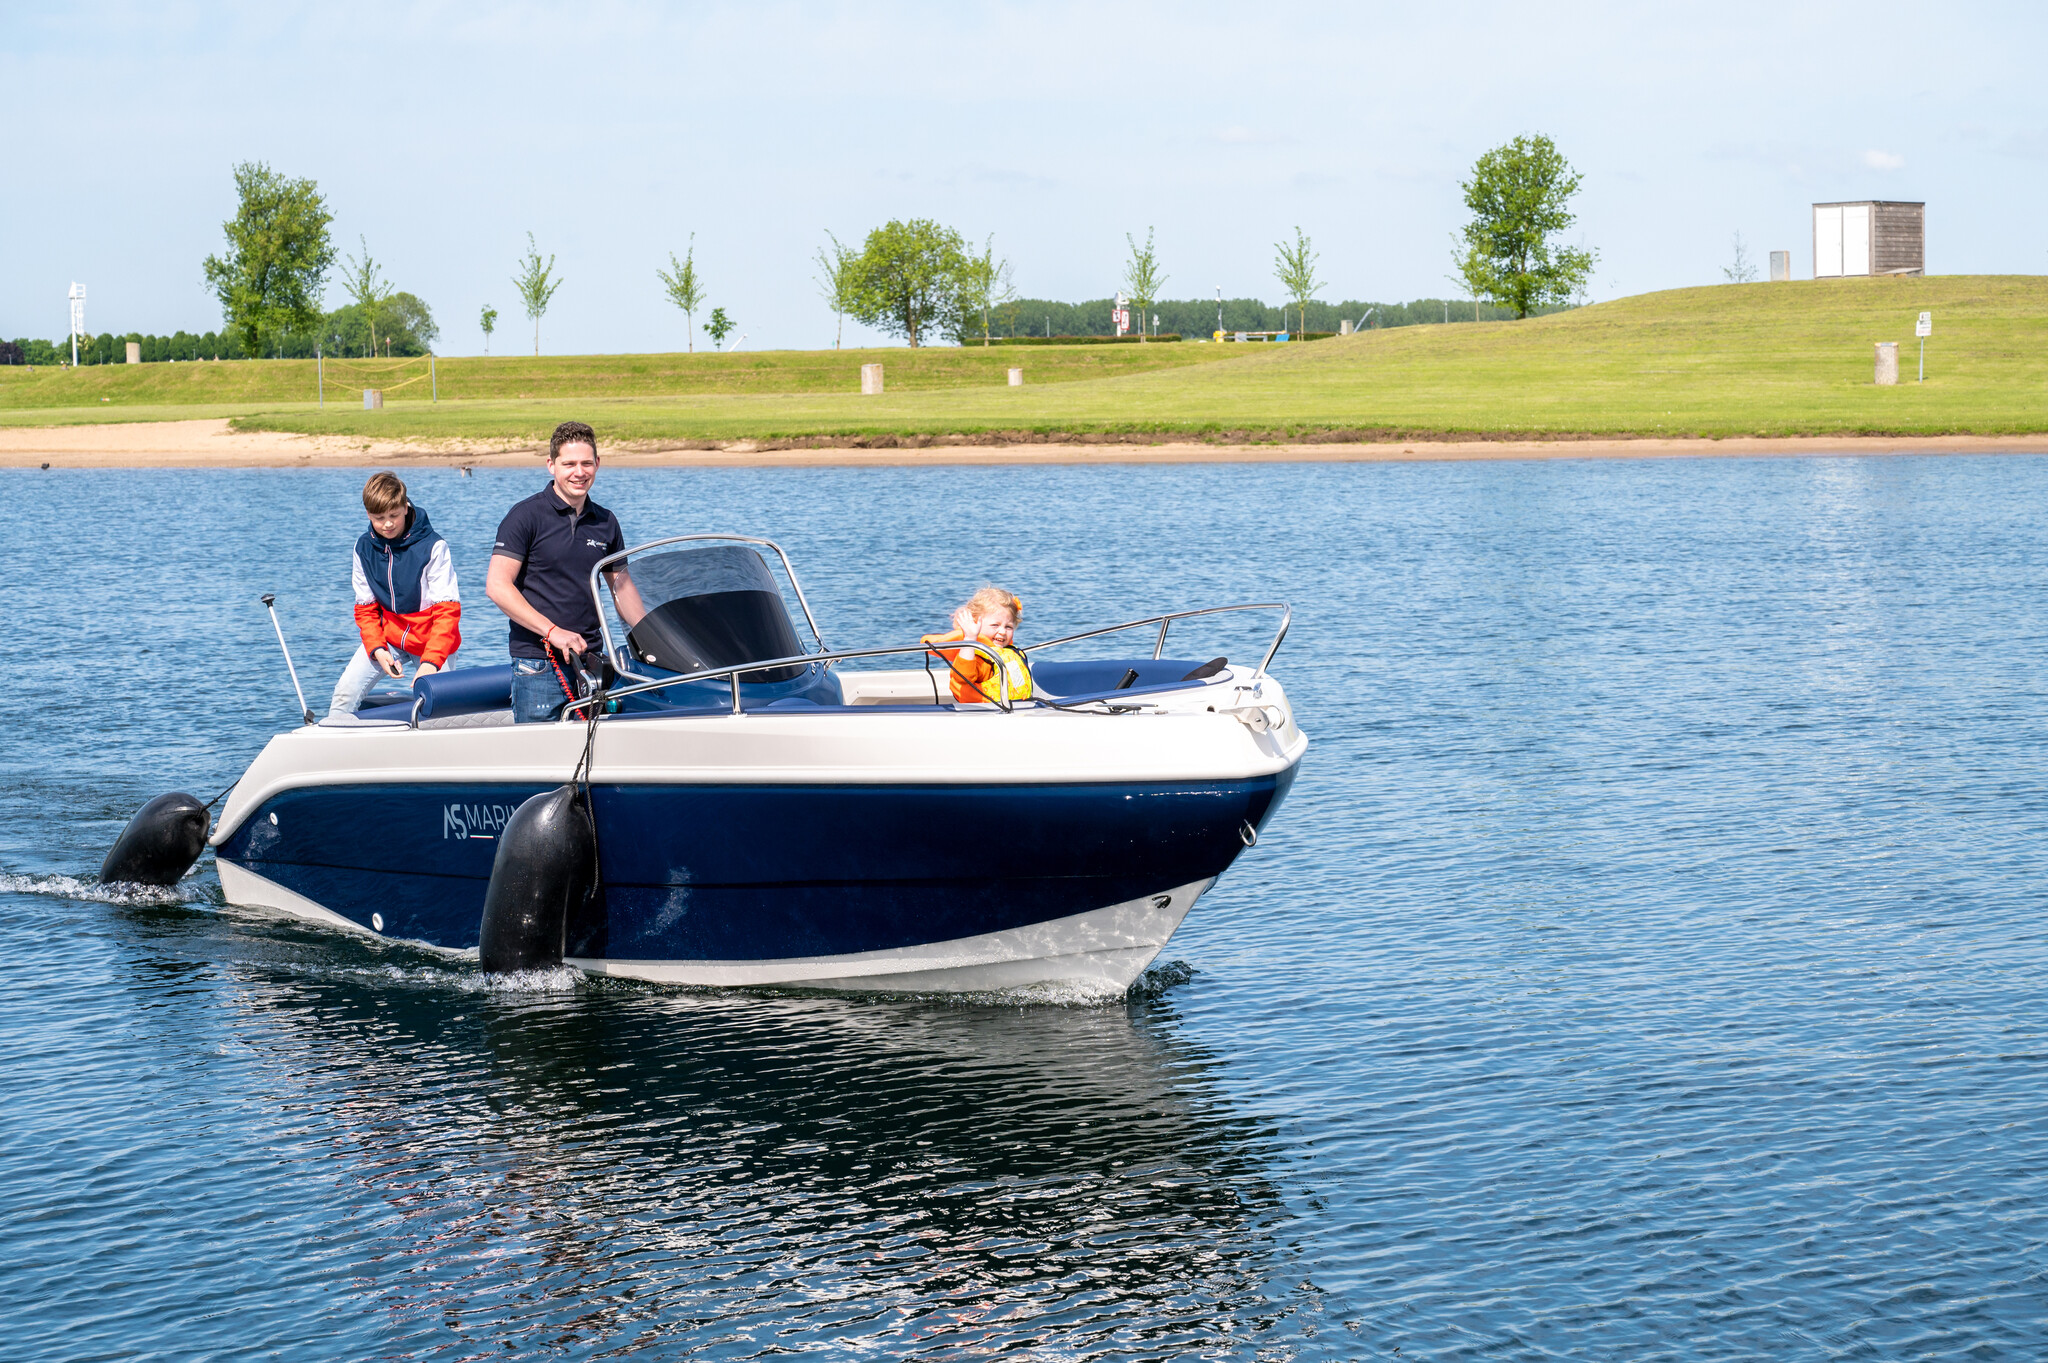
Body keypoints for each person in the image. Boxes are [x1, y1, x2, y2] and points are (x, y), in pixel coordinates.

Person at [486, 420, 649, 723]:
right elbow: (497, 586)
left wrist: (655, 640)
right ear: (551, 465)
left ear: (598, 464)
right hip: (537, 665)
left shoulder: (606, 522)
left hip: (592, 663)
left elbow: (622, 590)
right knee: (540, 764)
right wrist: (553, 632)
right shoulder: (525, 516)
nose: (579, 472)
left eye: (587, 463)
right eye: (569, 463)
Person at [327, 471, 462, 719]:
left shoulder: (434, 546)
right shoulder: (363, 548)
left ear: (405, 506)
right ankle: (333, 745)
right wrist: (377, 649)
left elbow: (448, 613)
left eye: (394, 515)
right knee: (344, 694)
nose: (388, 524)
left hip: (432, 639)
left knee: (441, 711)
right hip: (389, 637)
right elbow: (365, 609)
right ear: (368, 514)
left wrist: (430, 663)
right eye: (379, 518)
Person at [921, 586, 1034, 705]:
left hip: (1019, 709)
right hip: (988, 714)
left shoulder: (1008, 653)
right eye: (995, 625)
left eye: (1008, 627)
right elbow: (963, 677)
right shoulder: (981, 659)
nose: (1002, 632)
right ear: (975, 624)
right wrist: (970, 639)